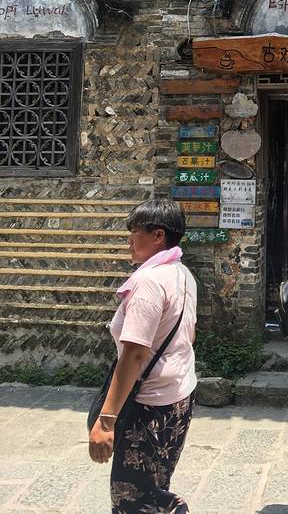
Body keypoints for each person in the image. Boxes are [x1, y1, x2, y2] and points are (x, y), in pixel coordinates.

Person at [88, 198, 198, 514]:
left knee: (131, 500)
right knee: (153, 487)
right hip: (179, 397)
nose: (129, 241)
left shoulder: (149, 283)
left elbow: (134, 355)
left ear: (158, 235)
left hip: (149, 407)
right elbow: (190, 335)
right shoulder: (182, 274)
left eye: (135, 232)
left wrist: (106, 421)